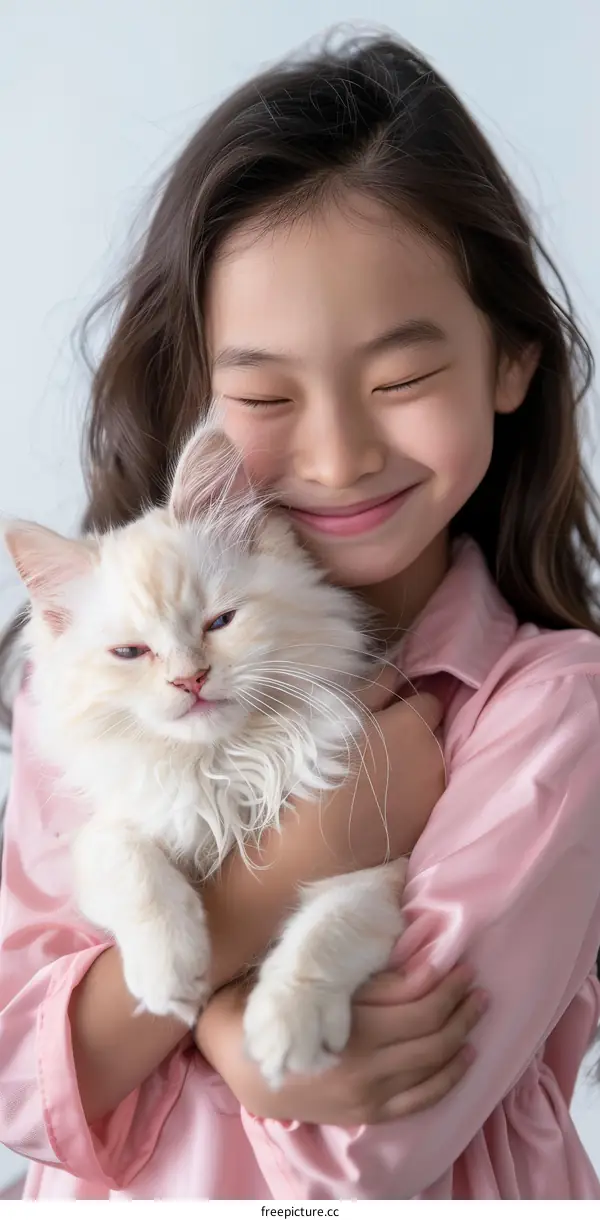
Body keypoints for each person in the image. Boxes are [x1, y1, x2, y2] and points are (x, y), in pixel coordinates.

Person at [0, 31, 599, 1202]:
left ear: (514, 360)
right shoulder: (88, 679)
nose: (336, 452)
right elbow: (18, 1079)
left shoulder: (550, 710)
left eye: (401, 380)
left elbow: (354, 1145)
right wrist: (272, 903)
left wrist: (151, 1021)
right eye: (268, 393)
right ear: (200, 400)